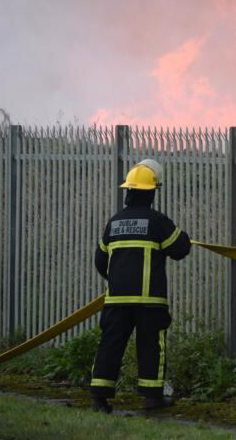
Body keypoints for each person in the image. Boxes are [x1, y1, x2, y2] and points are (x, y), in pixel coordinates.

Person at [89, 159, 191, 413]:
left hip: (116, 300)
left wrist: (117, 281)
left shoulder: (113, 223)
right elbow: (180, 249)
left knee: (110, 345)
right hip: (150, 301)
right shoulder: (157, 222)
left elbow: (100, 261)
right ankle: (152, 397)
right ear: (152, 192)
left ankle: (99, 398)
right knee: (151, 346)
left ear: (129, 191)